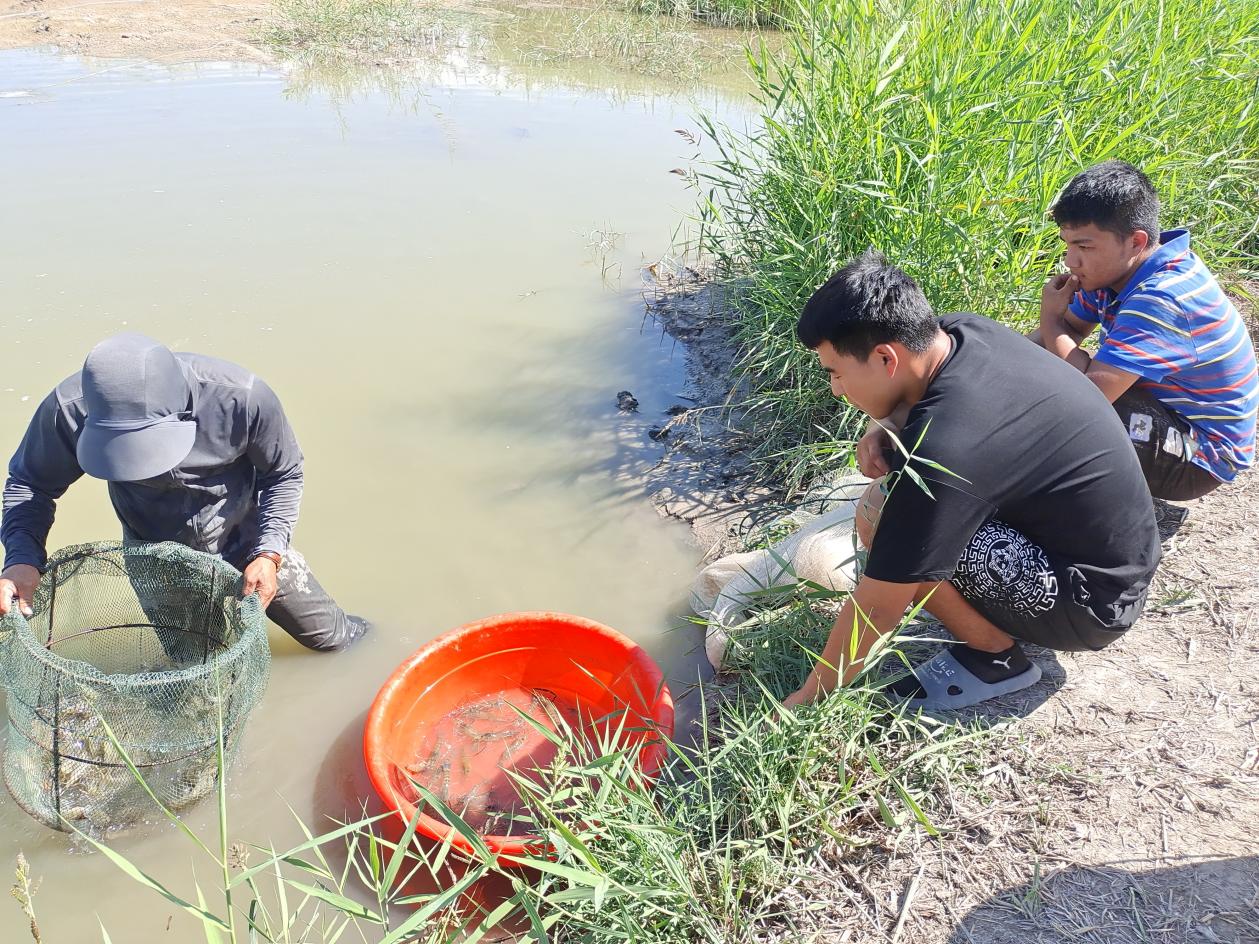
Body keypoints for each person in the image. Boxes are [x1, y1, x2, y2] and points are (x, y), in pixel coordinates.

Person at [784, 252, 1160, 711]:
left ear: (885, 357)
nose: (837, 391)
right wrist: (879, 424)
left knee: (885, 520)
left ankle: (995, 656)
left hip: (1091, 603)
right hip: (1116, 556)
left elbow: (879, 607)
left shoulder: (947, 448)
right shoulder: (960, 331)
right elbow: (909, 395)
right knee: (892, 507)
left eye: (836, 373)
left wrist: (806, 699)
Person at [0, 333, 368, 651]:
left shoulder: (242, 398)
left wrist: (270, 552)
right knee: (196, 675)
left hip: (247, 538)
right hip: (157, 554)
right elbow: (30, 485)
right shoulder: (67, 411)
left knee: (334, 640)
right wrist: (21, 557)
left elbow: (284, 473)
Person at [1036, 160, 1257, 500]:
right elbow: (1064, 334)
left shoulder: (1162, 296)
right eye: (1068, 244)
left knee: (1056, 417)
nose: (1071, 260)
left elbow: (1087, 395)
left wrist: (1050, 319)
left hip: (1199, 457)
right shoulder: (1114, 273)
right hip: (1164, 412)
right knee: (1038, 389)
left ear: (1136, 242)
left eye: (1084, 246)